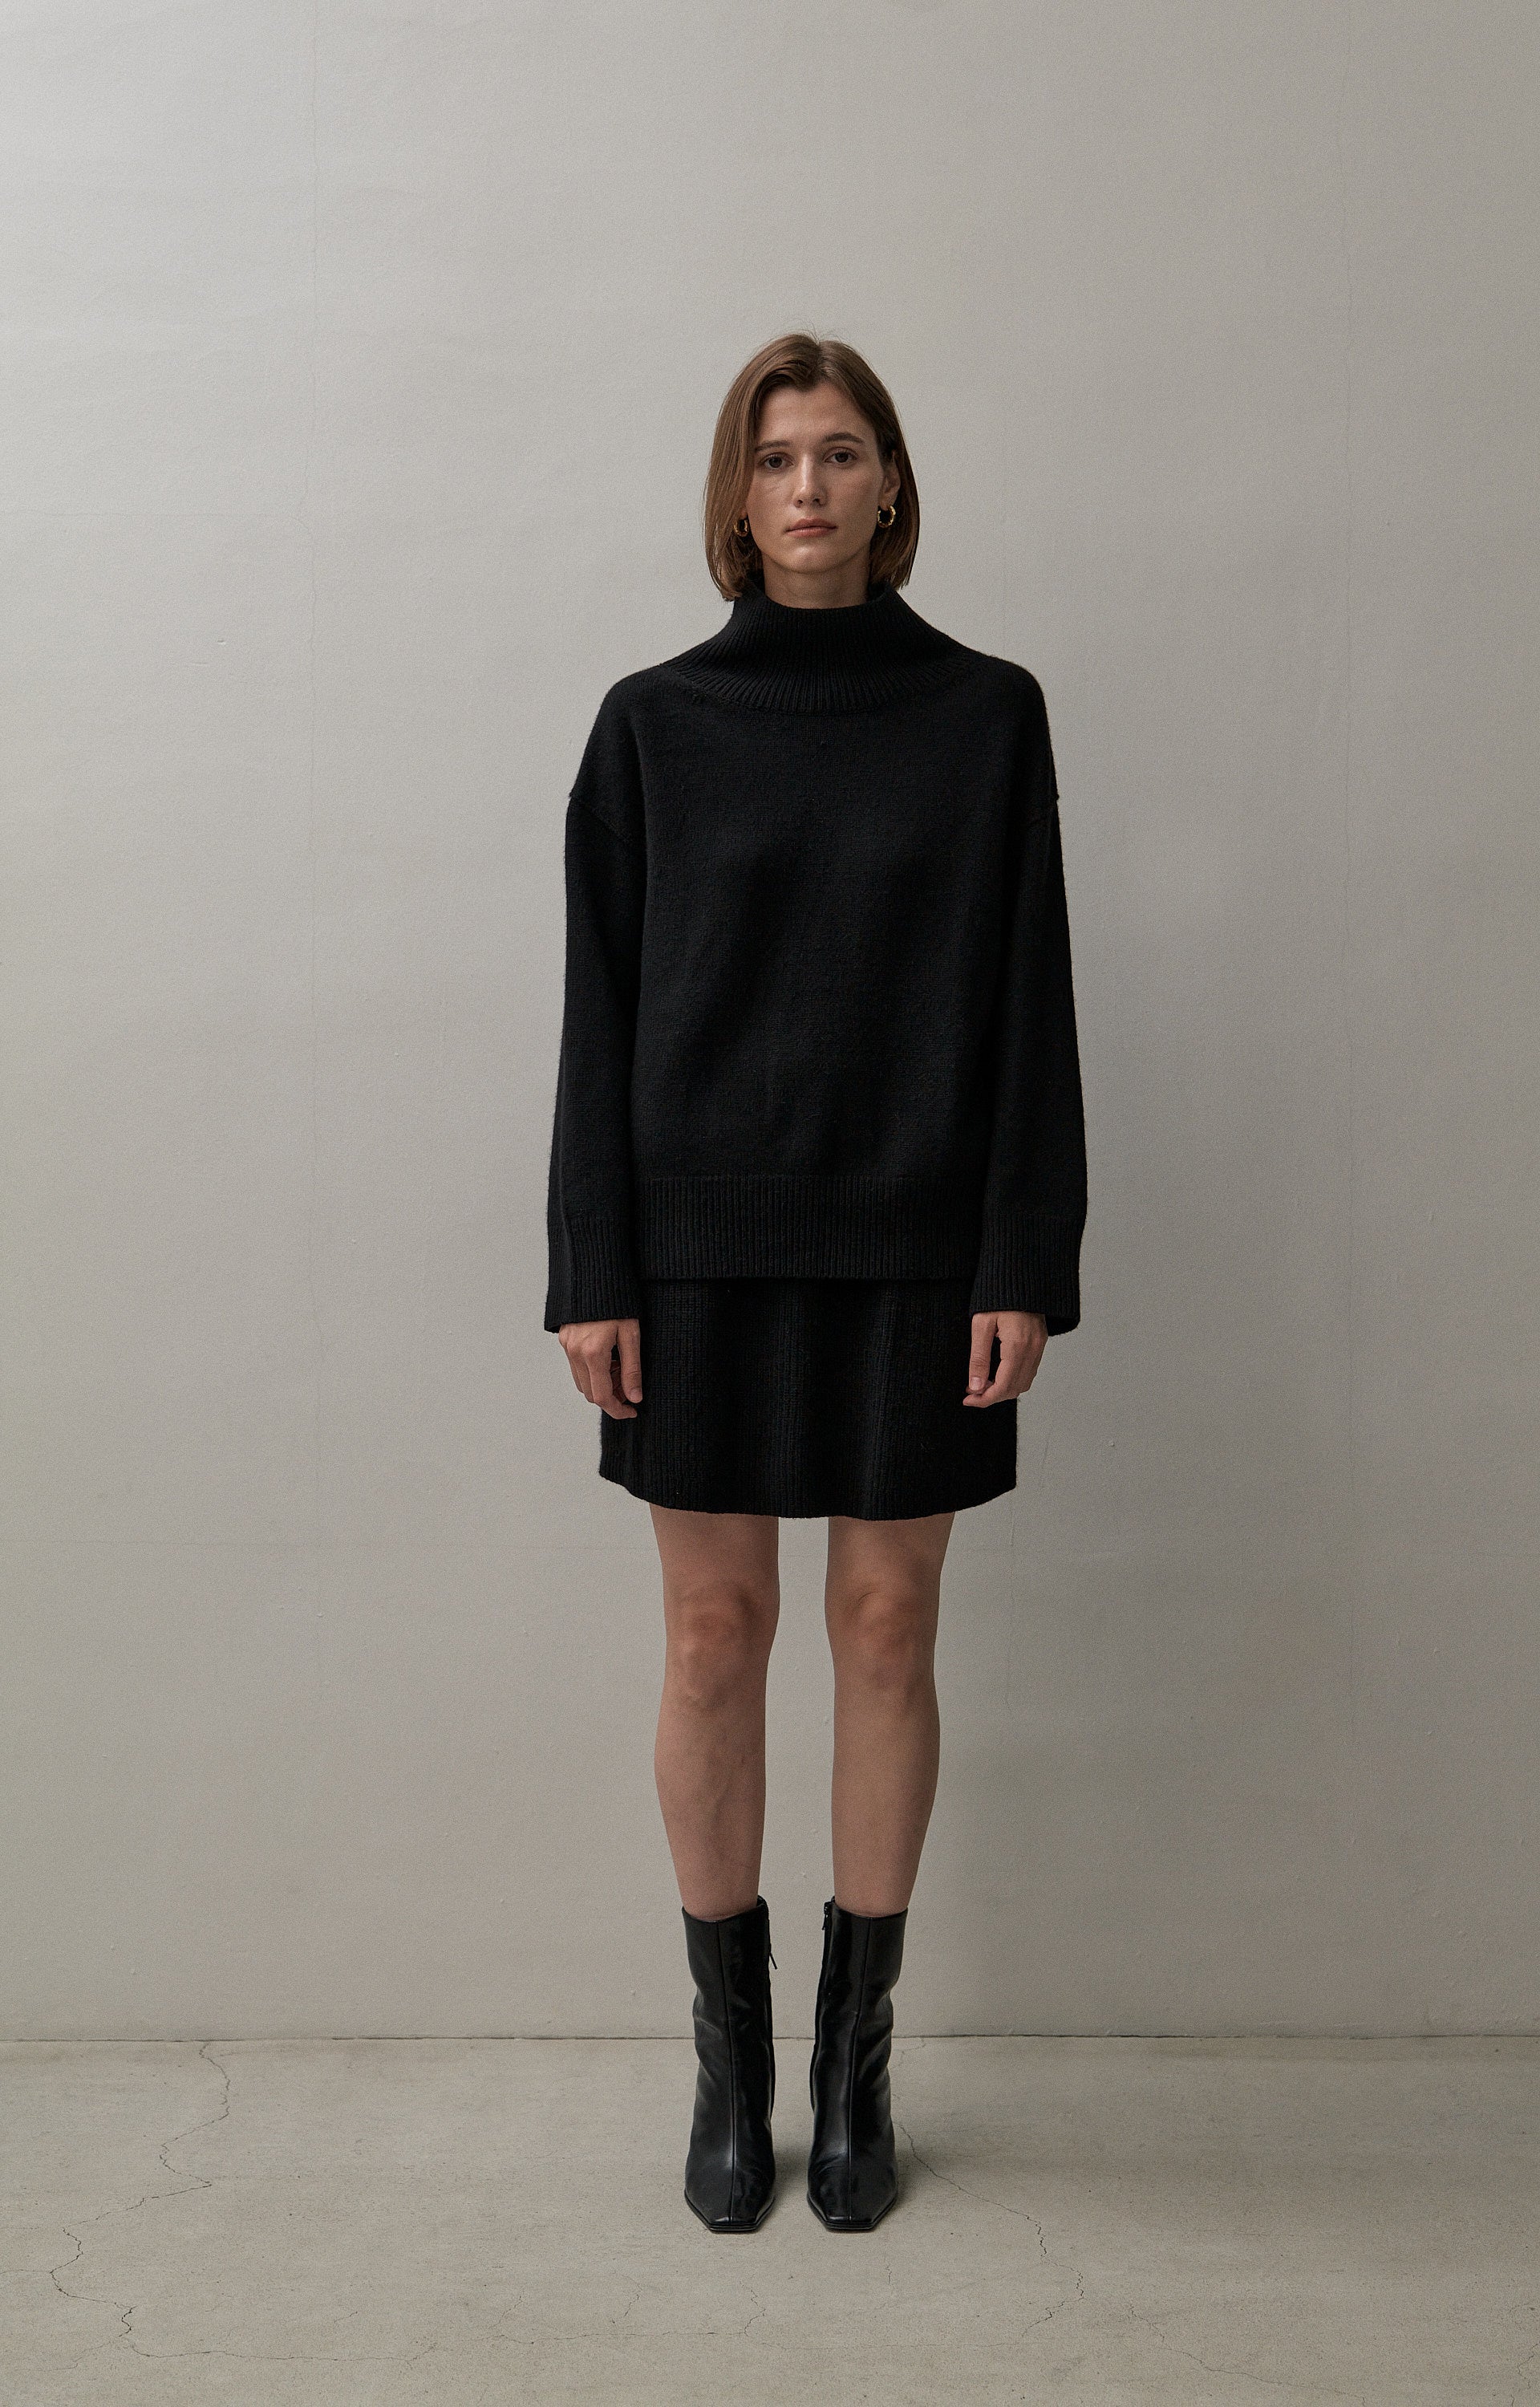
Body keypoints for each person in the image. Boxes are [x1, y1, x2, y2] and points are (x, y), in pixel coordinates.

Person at [543, 331, 1087, 2234]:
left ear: (888, 484)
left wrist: (1022, 1255)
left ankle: (853, 2071)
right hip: (692, 1247)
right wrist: (592, 1266)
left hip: (917, 1241)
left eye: (840, 452)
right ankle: (729, 2066)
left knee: (881, 1626)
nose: (806, 488)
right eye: (776, 457)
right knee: (712, 1634)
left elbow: (1026, 997)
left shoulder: (986, 715)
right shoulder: (650, 725)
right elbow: (598, 1009)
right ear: (736, 490)